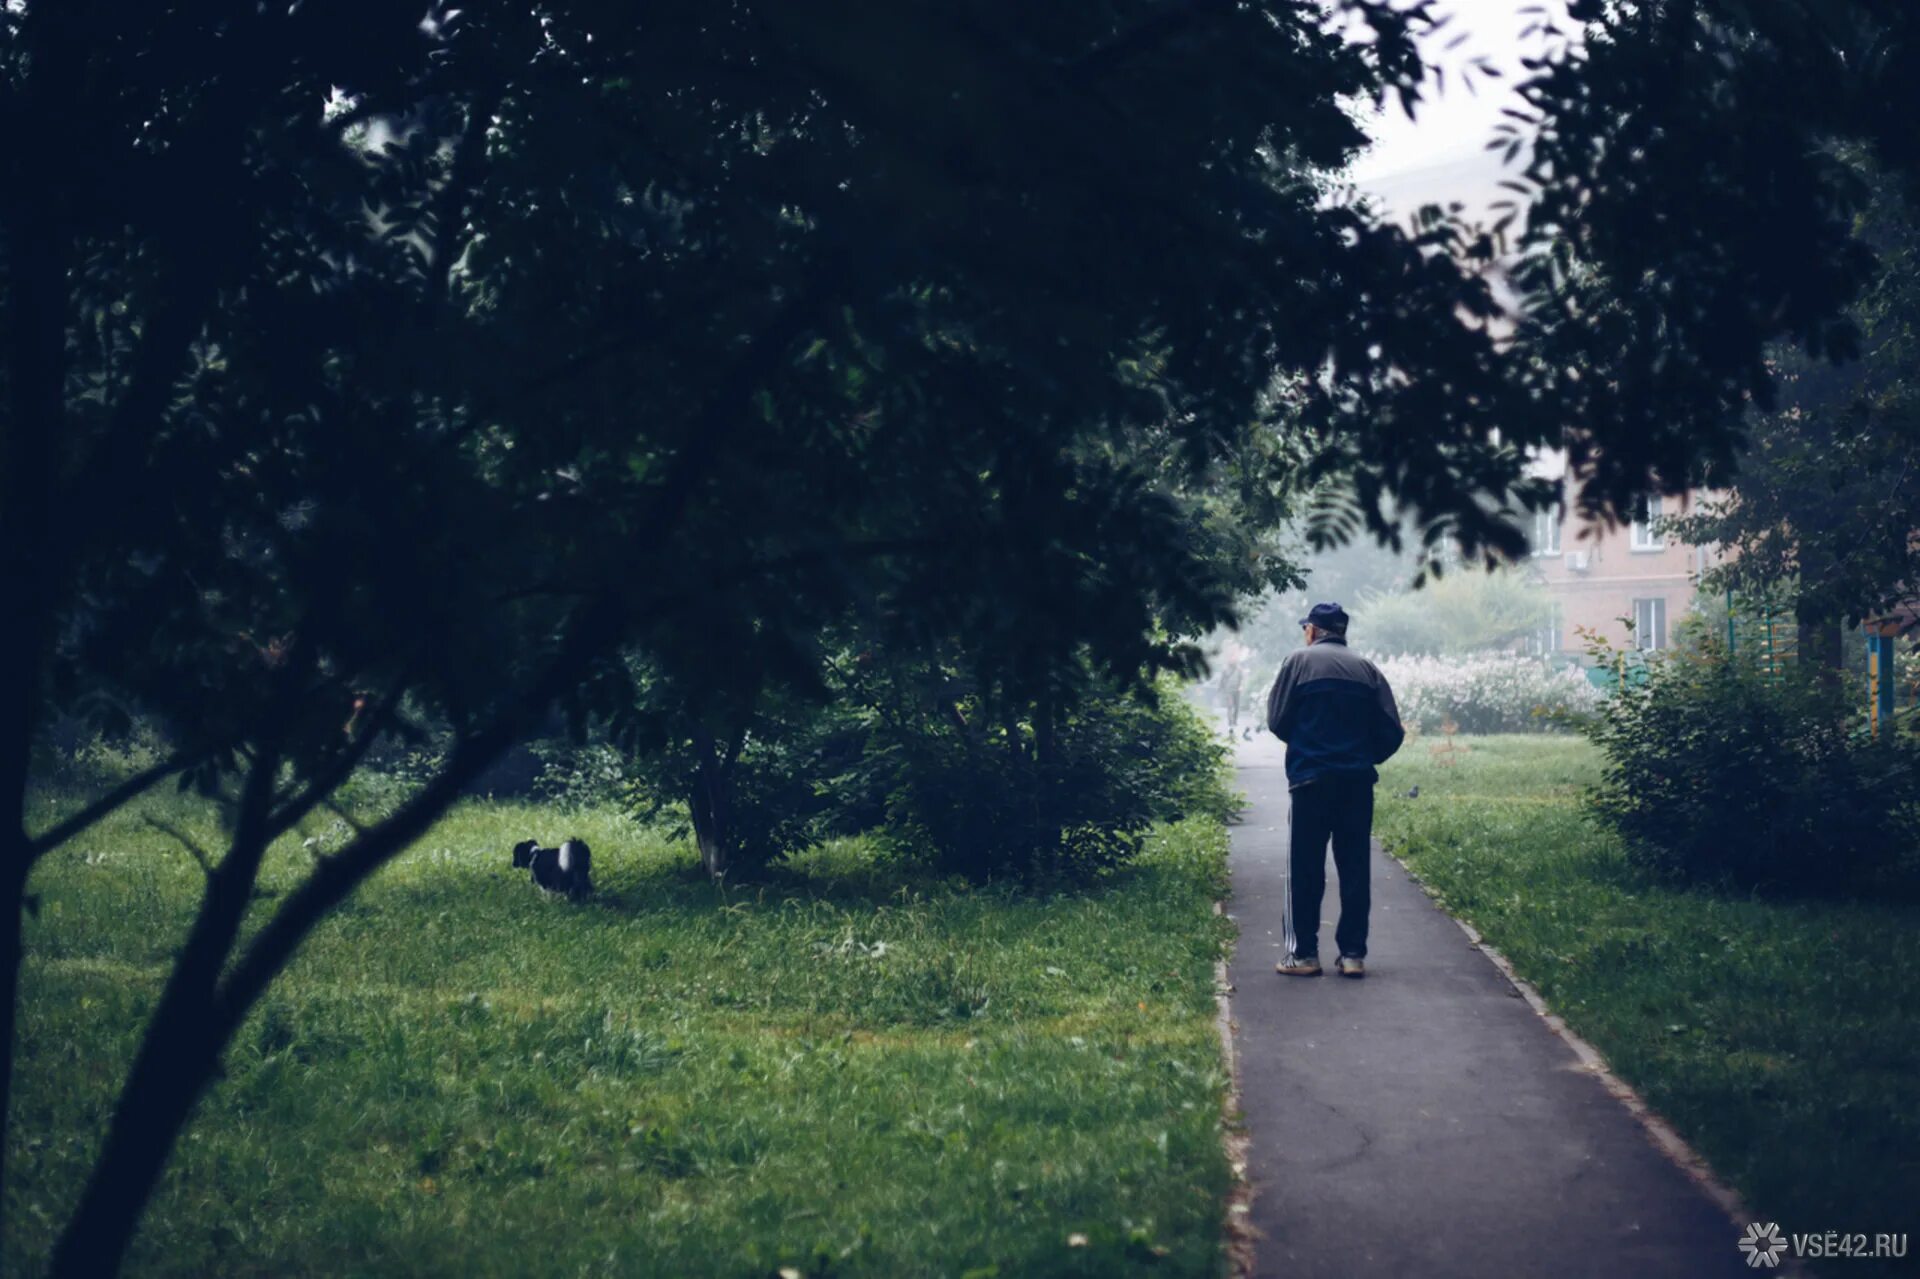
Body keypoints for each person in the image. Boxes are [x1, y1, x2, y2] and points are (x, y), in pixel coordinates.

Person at [1264, 602, 1403, 978]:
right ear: (1342, 631)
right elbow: (1392, 730)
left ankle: (1304, 955)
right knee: (1355, 866)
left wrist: (1307, 742)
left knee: (1305, 867)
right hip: (1357, 783)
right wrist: (1363, 756)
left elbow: (1277, 719)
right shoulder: (1366, 670)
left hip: (1311, 781)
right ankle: (1353, 954)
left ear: (1312, 630)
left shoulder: (1298, 662)